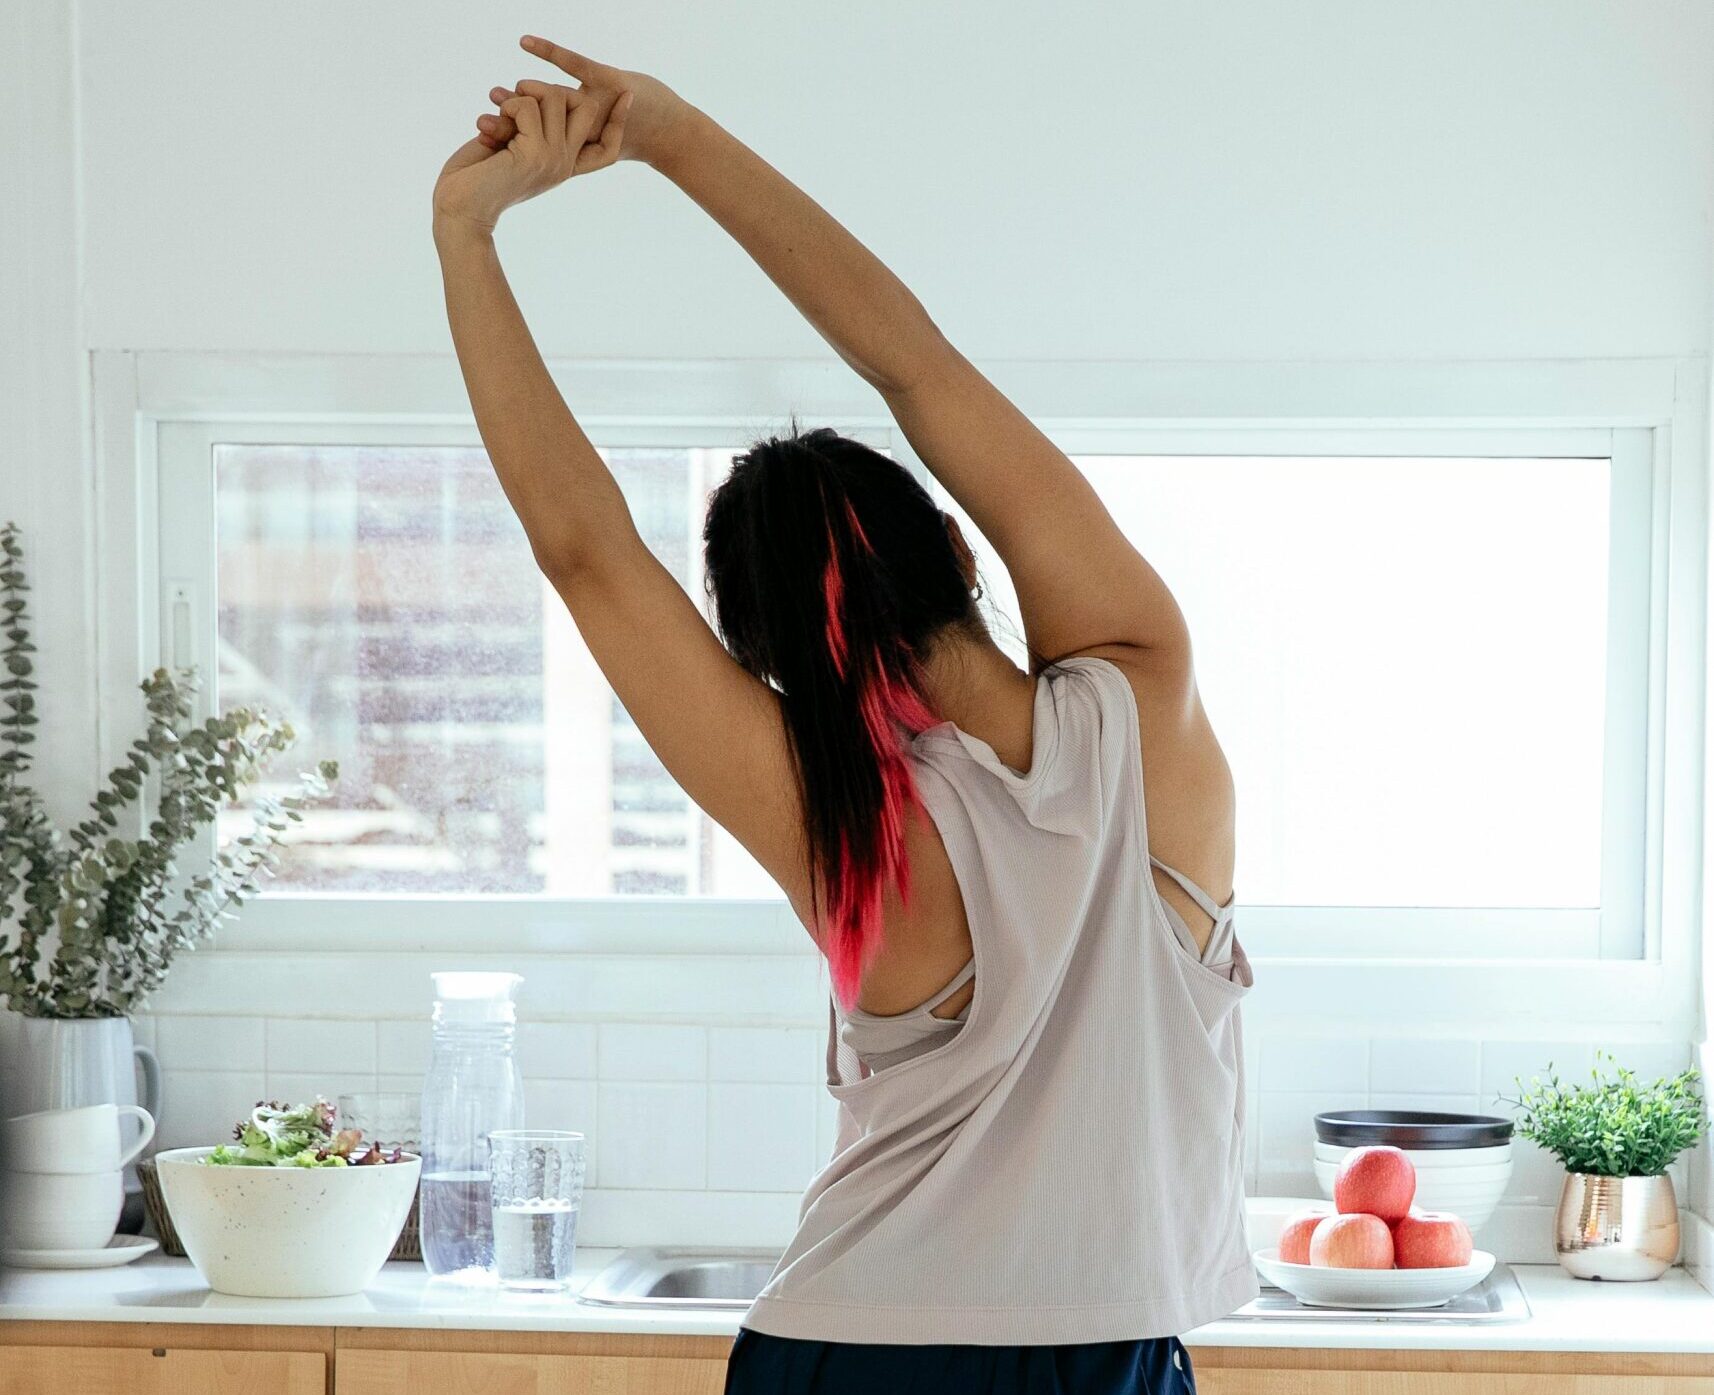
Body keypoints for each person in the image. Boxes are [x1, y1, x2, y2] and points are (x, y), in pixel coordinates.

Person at [432, 35, 1256, 1394]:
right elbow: (916, 369)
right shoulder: (1141, 689)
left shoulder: (828, 806)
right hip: (1099, 1352)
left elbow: (585, 554)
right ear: (956, 539)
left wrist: (467, 233)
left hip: (847, 1347)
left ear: (761, 658)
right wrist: (671, 135)